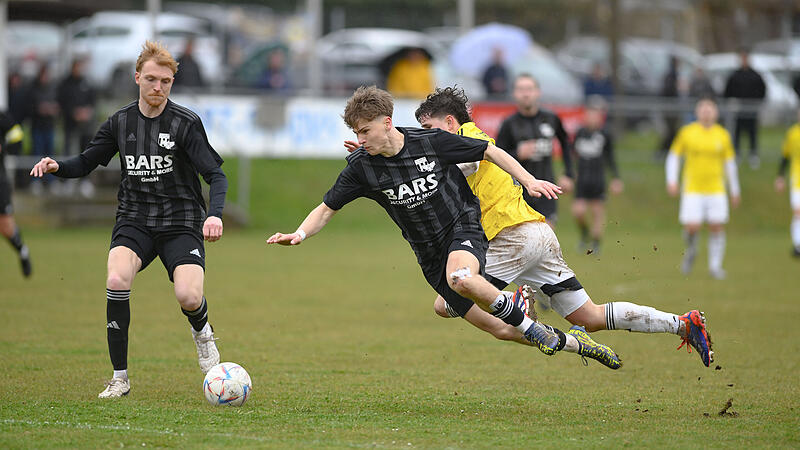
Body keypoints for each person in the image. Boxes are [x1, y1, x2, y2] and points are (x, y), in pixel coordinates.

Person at [267, 85, 619, 367]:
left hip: (463, 229)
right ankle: (578, 345)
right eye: (357, 134)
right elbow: (327, 208)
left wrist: (528, 180)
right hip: (429, 255)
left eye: (365, 131)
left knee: (462, 278)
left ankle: (525, 318)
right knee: (499, 329)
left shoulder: (429, 141)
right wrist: (299, 233)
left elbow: (488, 151)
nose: (361, 139)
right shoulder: (363, 167)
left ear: (387, 122)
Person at [413, 86, 714, 368]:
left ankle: (518, 302)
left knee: (447, 302)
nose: (426, 137)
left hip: (512, 238)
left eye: (428, 129)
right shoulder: (468, 138)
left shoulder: (466, 137)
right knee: (591, 316)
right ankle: (684, 324)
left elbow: (467, 163)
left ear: (450, 122)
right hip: (535, 235)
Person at [30, 41, 228, 398]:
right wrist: (57, 165)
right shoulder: (121, 122)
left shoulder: (185, 123)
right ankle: (120, 378)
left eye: (166, 81)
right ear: (137, 77)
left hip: (180, 220)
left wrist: (213, 215)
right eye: (151, 79)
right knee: (117, 279)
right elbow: (87, 162)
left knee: (187, 295)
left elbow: (216, 175)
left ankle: (202, 332)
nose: (158, 87)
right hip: (135, 219)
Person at [667, 97, 740, 280]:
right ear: (697, 112)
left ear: (716, 112)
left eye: (710, 108)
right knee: (692, 227)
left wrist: (735, 190)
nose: (707, 111)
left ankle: (715, 267)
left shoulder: (722, 134)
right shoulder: (687, 132)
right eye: (703, 108)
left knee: (716, 225)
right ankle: (691, 250)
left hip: (716, 188)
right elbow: (674, 156)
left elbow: (730, 164)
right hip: (693, 188)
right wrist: (672, 180)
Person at [495, 74, 574, 227]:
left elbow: (565, 143)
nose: (526, 93)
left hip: (546, 188)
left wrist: (568, 174)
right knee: (526, 242)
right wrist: (517, 153)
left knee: (547, 237)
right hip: (518, 191)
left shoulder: (551, 118)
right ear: (514, 94)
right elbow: (497, 158)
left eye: (530, 89)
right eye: (521, 89)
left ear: (538, 92)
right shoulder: (508, 124)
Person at [571, 98, 622, 254]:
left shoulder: (605, 134)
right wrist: (569, 173)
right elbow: (572, 154)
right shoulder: (580, 133)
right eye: (590, 114)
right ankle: (584, 233)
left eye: (596, 115)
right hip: (582, 178)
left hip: (597, 179)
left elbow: (611, 158)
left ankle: (596, 242)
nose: (592, 118)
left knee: (597, 212)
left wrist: (616, 178)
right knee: (578, 211)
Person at [58, 58, 98, 197]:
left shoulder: (87, 82)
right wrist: (73, 113)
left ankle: (85, 181)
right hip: (70, 125)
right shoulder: (65, 84)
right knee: (68, 152)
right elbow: (61, 102)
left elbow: (93, 101)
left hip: (85, 127)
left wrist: (87, 112)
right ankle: (67, 181)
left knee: (86, 152)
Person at [0, 110, 32, 277]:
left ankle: (22, 251)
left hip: (0, 180)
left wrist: (3, 146)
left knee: (5, 227)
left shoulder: (2, 117)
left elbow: (17, 135)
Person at [723, 50, 766, 169]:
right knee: (737, 132)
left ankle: (753, 155)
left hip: (752, 109)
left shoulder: (756, 75)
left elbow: (763, 90)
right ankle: (737, 154)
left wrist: (758, 103)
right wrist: (731, 100)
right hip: (738, 110)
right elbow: (727, 91)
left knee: (752, 132)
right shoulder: (734, 75)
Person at [29, 64, 60, 194]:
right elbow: (30, 108)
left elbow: (58, 107)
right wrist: (40, 109)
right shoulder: (33, 90)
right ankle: (36, 181)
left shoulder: (52, 89)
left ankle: (51, 181)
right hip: (37, 127)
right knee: (37, 153)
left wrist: (51, 109)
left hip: (49, 127)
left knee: (50, 155)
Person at [775, 109, 800, 257]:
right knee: (798, 212)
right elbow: (785, 156)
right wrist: (780, 176)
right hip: (797, 179)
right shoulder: (792, 133)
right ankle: (797, 244)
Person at [656, 56, 682, 161]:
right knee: (670, 132)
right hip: (669, 108)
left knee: (673, 132)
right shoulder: (671, 75)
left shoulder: (672, 74)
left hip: (671, 107)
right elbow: (668, 90)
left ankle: (668, 152)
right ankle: (661, 152)